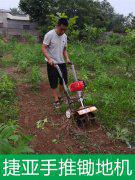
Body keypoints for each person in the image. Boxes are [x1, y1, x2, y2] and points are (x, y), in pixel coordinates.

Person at [42, 18, 71, 108]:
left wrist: (67, 59)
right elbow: (43, 48)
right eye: (61, 29)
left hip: (61, 62)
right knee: (53, 82)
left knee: (64, 81)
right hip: (52, 63)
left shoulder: (64, 36)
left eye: (65, 30)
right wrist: (49, 59)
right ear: (57, 26)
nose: (62, 31)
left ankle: (60, 96)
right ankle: (56, 99)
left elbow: (64, 50)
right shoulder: (50, 34)